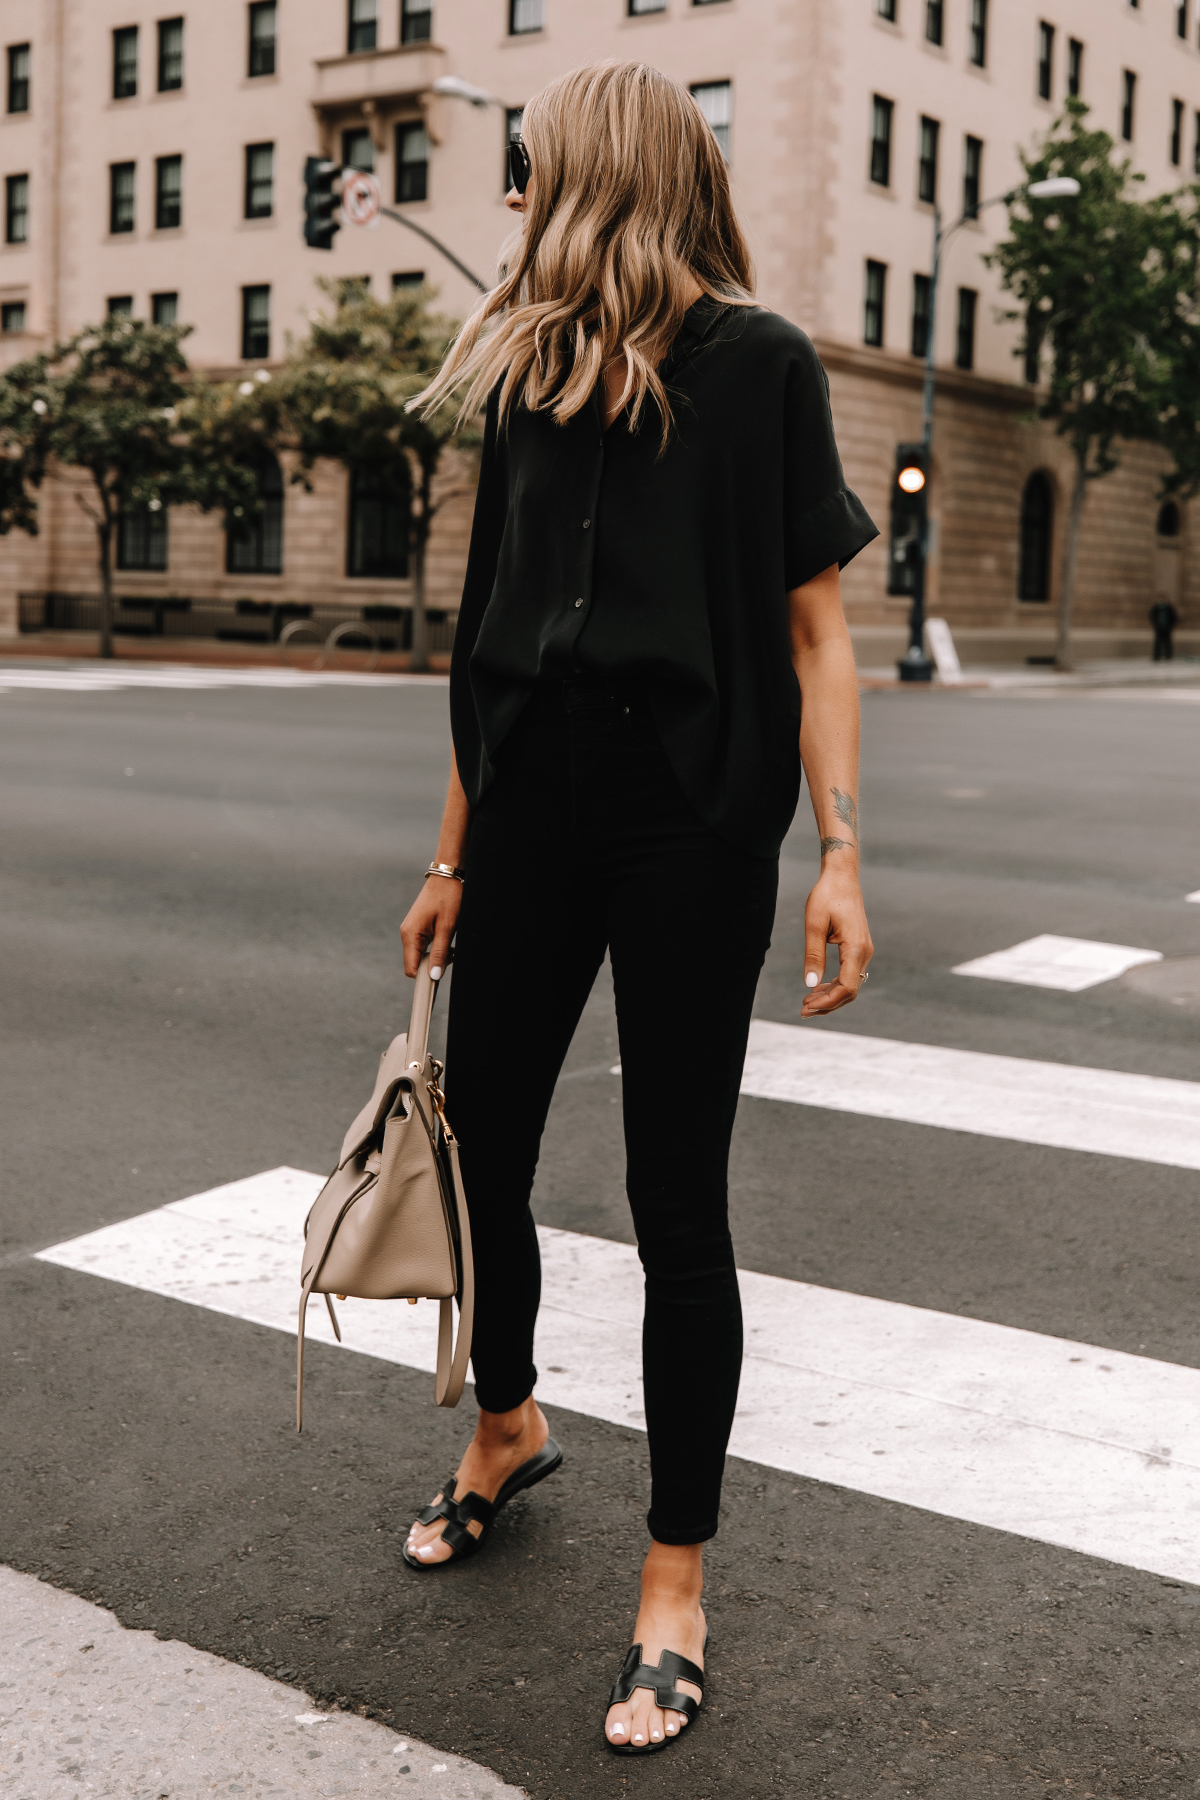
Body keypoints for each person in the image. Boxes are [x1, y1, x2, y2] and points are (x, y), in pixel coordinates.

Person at [398, 59, 876, 1756]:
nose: (515, 200)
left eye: (531, 172)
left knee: (679, 1196)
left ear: (604, 176)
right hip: (529, 809)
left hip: (688, 824)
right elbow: (485, 637)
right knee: (482, 1150)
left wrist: (837, 851)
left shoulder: (759, 370)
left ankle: (675, 1578)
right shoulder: (524, 379)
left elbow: (820, 631)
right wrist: (453, 856)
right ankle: (507, 1424)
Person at [1150, 598, 1179, 662]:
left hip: (1167, 628)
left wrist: (1171, 626)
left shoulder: (1169, 608)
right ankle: (1157, 656)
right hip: (1159, 628)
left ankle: (1168, 655)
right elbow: (1152, 616)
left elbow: (1174, 617)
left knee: (1167, 642)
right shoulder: (1156, 608)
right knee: (1158, 643)